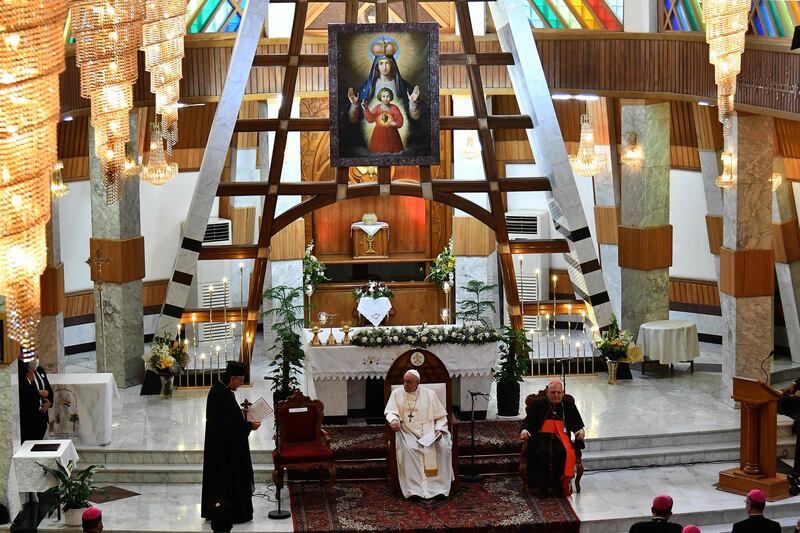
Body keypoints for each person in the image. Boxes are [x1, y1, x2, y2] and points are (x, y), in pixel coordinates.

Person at [342, 37, 427, 158]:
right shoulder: (368, 87)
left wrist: (412, 104)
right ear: (376, 66)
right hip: (374, 134)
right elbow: (354, 119)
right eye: (381, 63)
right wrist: (355, 105)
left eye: (387, 63)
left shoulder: (403, 86)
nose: (384, 67)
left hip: (398, 135)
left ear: (393, 65)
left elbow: (415, 117)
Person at [201, 361, 261, 524]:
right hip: (225, 452)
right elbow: (232, 428)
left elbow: (227, 418)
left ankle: (217, 510)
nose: (241, 384)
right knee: (229, 482)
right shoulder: (223, 394)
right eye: (240, 380)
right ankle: (233, 513)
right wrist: (250, 425)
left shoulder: (219, 389)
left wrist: (240, 413)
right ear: (233, 378)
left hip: (220, 448)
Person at [384, 369, 453, 500]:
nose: (405, 384)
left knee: (443, 447)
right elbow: (391, 412)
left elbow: (441, 417)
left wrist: (438, 430)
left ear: (418, 382)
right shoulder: (396, 393)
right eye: (404, 381)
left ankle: (438, 489)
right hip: (407, 431)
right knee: (410, 449)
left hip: (430, 431)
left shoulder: (429, 394)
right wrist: (394, 420)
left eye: (409, 382)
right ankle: (414, 491)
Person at [520, 379, 585, 496]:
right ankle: (541, 487)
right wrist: (524, 430)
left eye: (559, 393)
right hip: (541, 438)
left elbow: (577, 424)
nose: (556, 395)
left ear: (563, 393)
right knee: (540, 452)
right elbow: (528, 423)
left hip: (561, 439)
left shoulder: (568, 405)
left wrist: (580, 430)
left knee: (562, 452)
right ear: (548, 393)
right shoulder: (538, 405)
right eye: (553, 392)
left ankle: (560, 486)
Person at [18, 357, 53, 443]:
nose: (35, 358)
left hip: (42, 418)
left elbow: (49, 389)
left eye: (36, 356)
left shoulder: (40, 370)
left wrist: (50, 401)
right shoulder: (20, 371)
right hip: (28, 420)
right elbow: (20, 393)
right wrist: (29, 381)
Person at [361, 87, 404, 153]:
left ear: (391, 97)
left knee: (393, 152)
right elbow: (371, 119)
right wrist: (366, 109)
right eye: (383, 96)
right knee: (378, 152)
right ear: (380, 97)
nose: (385, 99)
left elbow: (400, 120)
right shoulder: (377, 108)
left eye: (387, 96)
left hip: (392, 134)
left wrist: (396, 124)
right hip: (378, 134)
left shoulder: (394, 108)